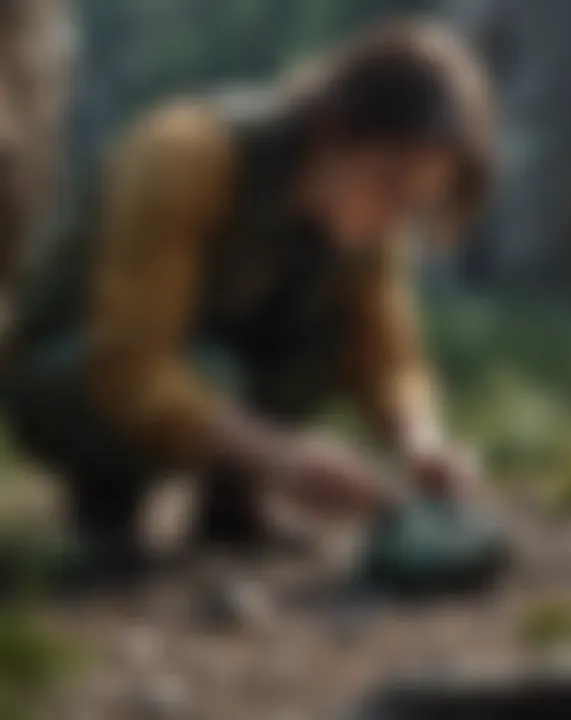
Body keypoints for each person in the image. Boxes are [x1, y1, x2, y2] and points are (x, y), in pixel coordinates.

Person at [2, 21, 495, 572]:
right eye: (389, 182)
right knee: (209, 368)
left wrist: (421, 443)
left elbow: (384, 352)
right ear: (334, 130)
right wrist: (279, 458)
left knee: (321, 342)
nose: (394, 219)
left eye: (416, 206)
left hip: (200, 371)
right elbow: (129, 369)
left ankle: (230, 504)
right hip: (66, 374)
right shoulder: (186, 153)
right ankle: (108, 499)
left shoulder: (362, 223)